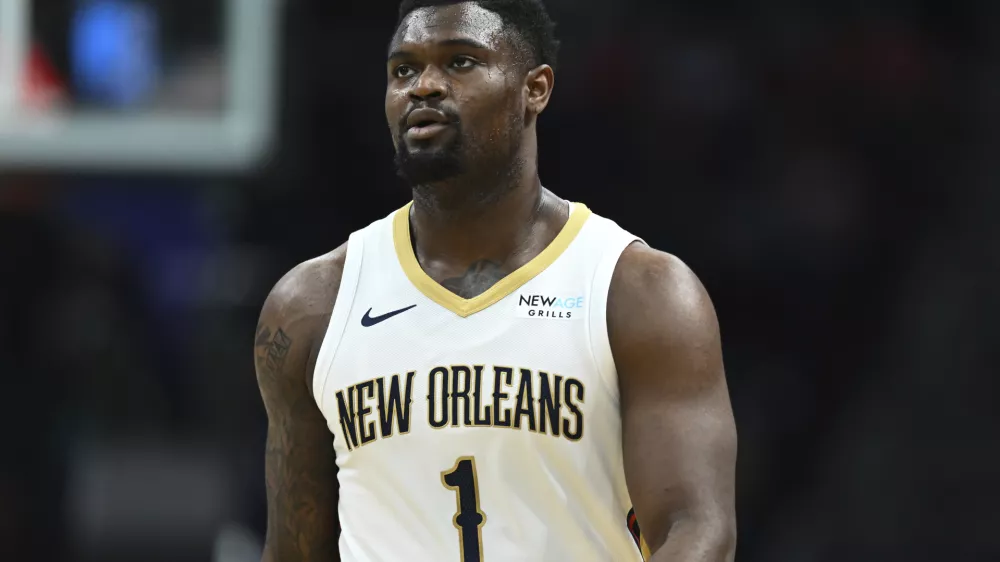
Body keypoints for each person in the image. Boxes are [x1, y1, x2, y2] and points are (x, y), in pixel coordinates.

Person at [253, 1, 737, 560]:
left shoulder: (637, 292)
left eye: (460, 62)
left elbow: (697, 530)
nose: (424, 87)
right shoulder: (311, 305)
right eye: (403, 70)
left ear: (536, 89)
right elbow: (293, 551)